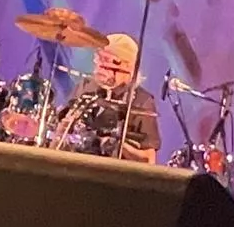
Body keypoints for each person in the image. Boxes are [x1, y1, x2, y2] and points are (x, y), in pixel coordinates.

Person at [63, 32, 161, 163]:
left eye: (106, 63)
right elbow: (63, 131)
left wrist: (116, 145)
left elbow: (149, 159)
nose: (100, 69)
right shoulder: (86, 87)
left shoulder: (142, 101)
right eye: (99, 60)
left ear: (127, 66)